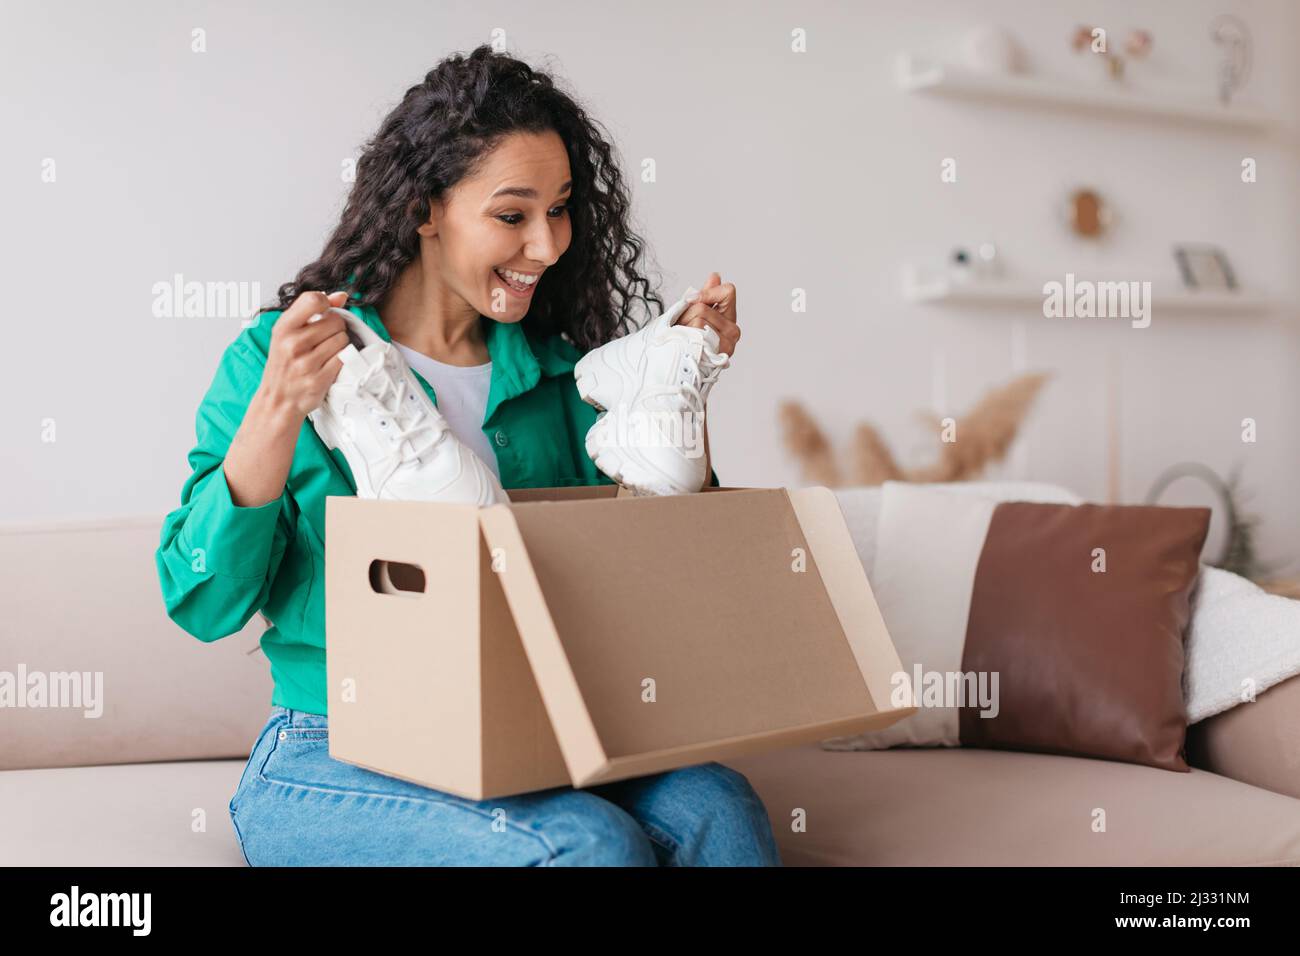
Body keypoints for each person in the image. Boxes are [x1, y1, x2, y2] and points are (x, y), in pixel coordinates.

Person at [154, 44, 775, 866]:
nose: (549, 245)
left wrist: (676, 395)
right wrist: (275, 412)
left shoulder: (564, 377)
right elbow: (201, 601)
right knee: (585, 845)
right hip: (335, 742)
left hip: (535, 734)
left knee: (720, 811)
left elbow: (662, 583)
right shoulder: (288, 359)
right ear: (424, 210)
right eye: (513, 215)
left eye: (561, 209)